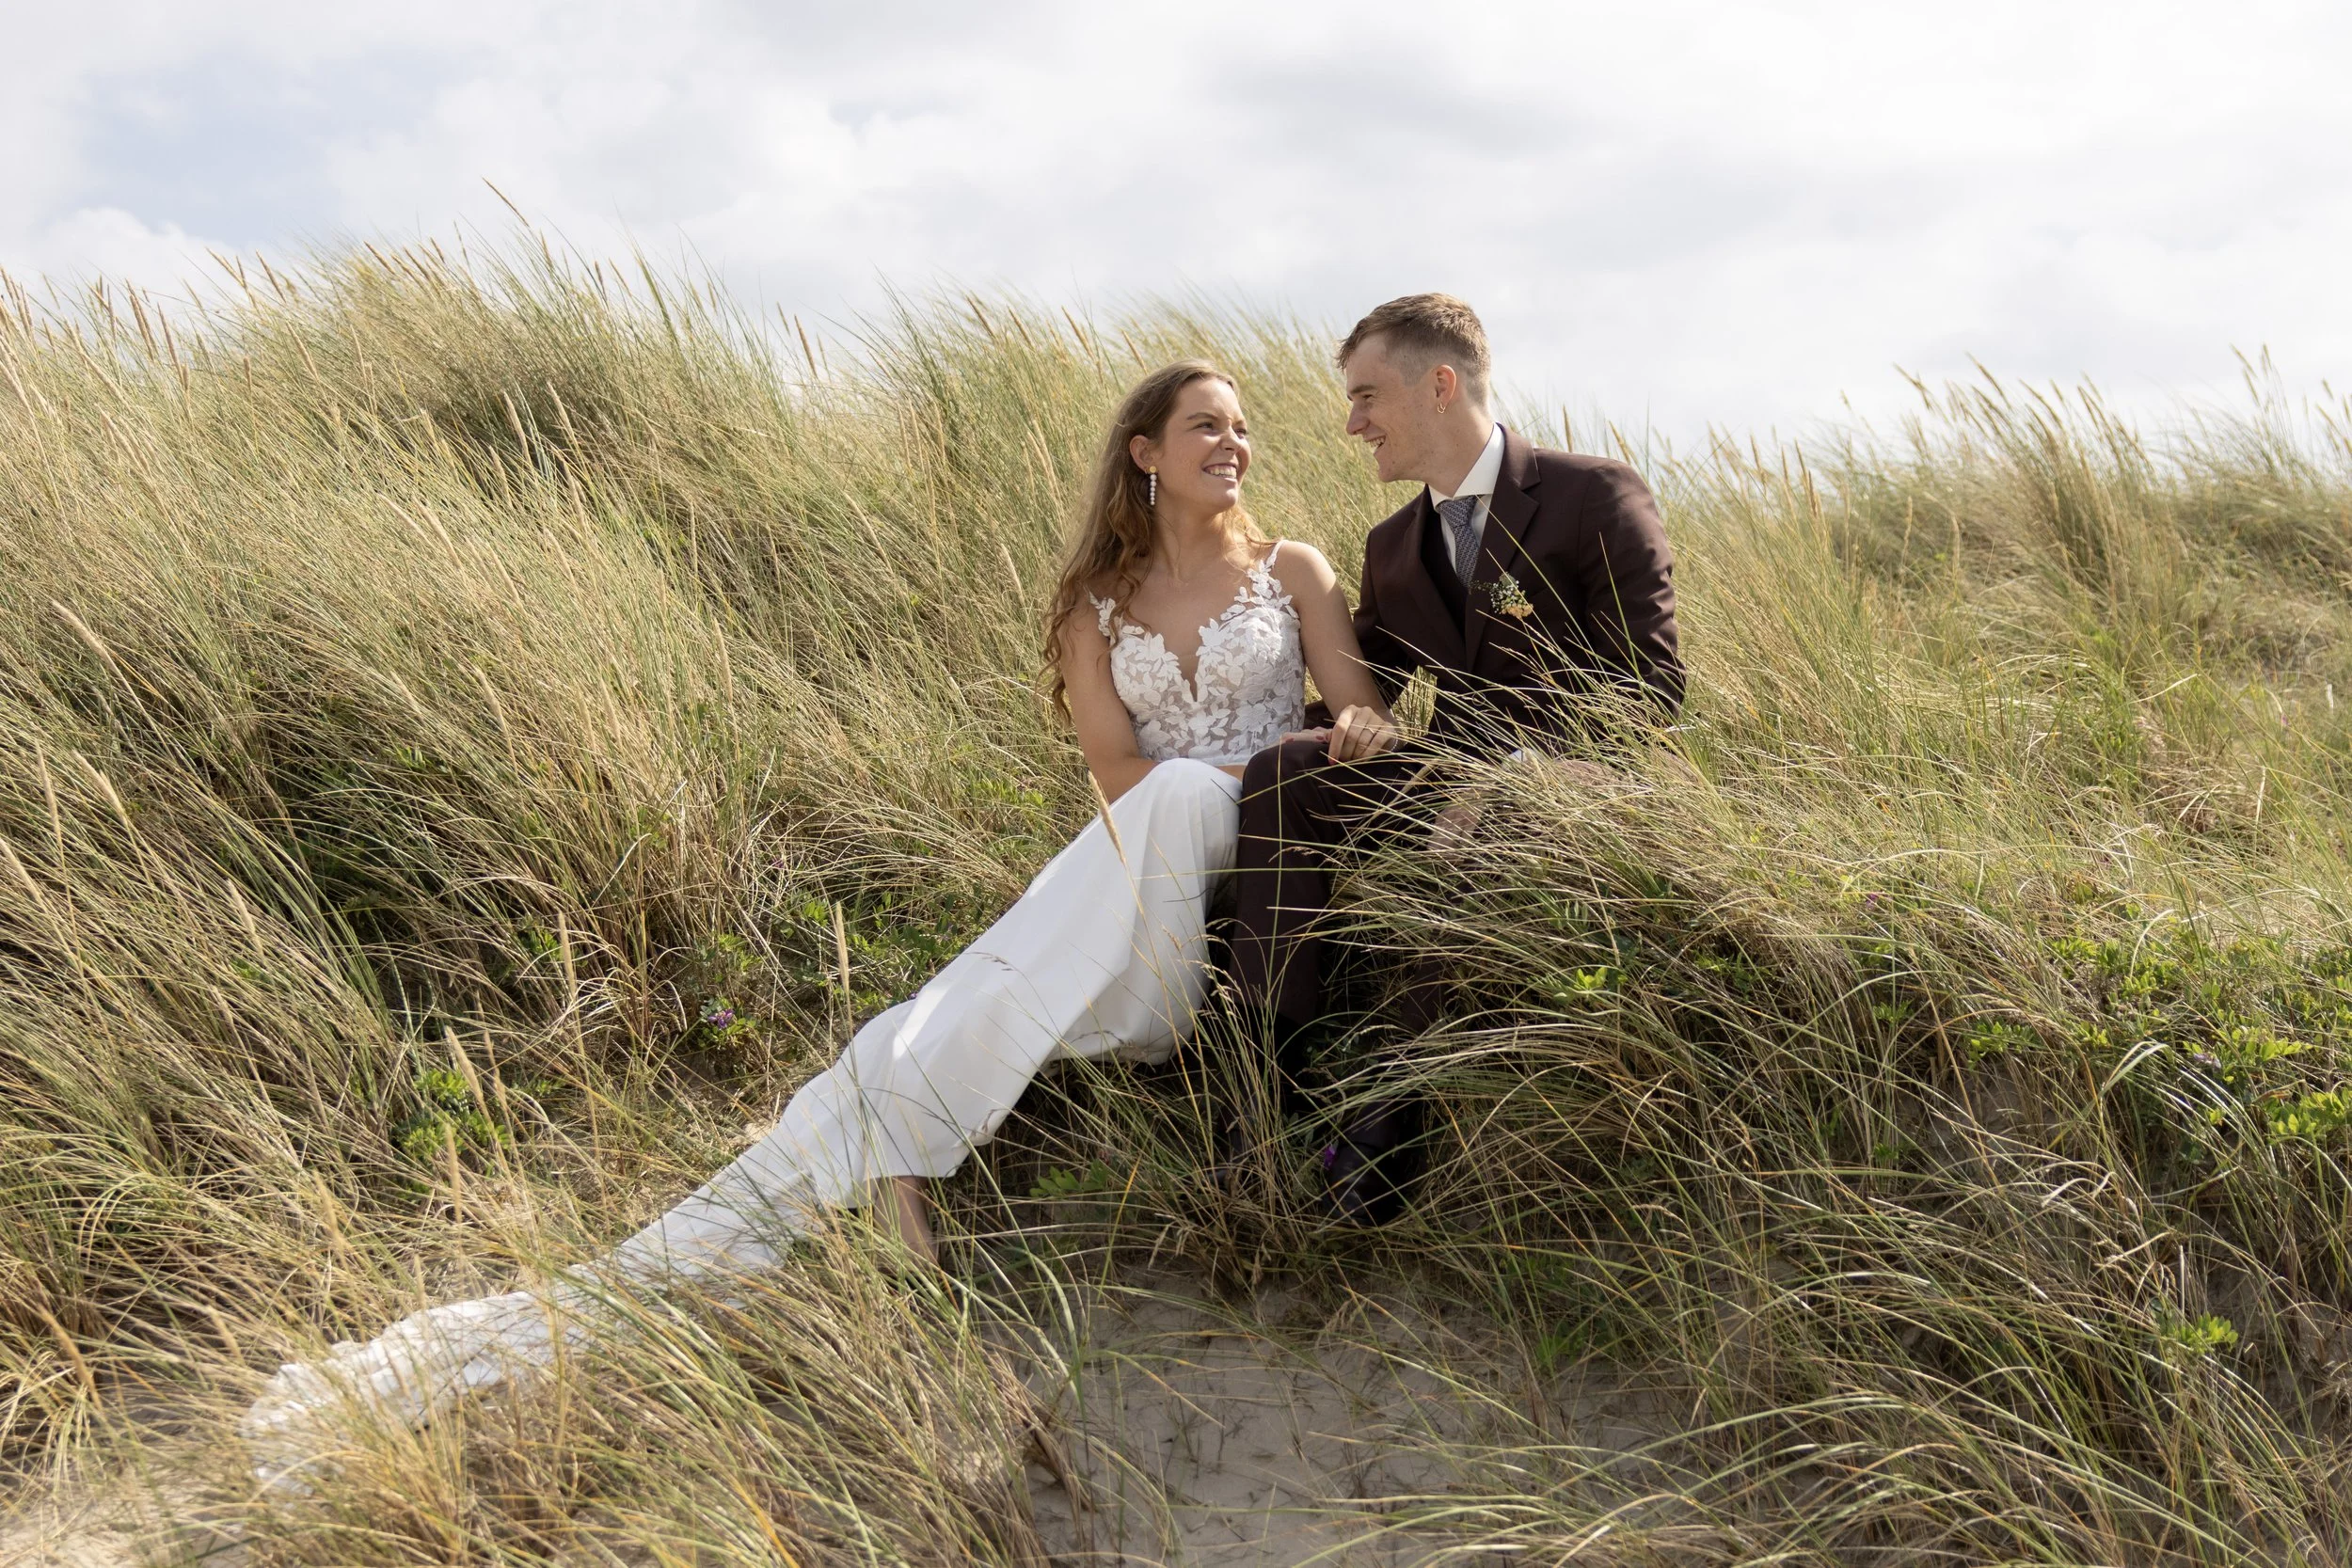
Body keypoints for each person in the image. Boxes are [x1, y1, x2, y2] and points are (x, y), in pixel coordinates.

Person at [238, 359, 1396, 1486]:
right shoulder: (1096, 606)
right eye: (1205, 426)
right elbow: (1111, 769)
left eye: (1239, 427)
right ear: (1145, 454)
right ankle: (892, 1141)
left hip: (1263, 827)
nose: (1232, 444)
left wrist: (1347, 730)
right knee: (1019, 947)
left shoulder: (1291, 566)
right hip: (1135, 844)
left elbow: (1355, 704)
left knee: (1182, 804)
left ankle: (903, 1129)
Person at [1227, 293, 1684, 1223]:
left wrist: (1521, 772)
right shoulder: (1392, 546)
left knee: (1486, 820)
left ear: (1440, 385)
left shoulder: (1592, 494)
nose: (1352, 424)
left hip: (1574, 790)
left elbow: (1654, 689)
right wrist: (1328, 731)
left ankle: (1392, 1111)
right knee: (1286, 771)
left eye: (1366, 397)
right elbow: (1362, 687)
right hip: (1448, 782)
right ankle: (1264, 1084)